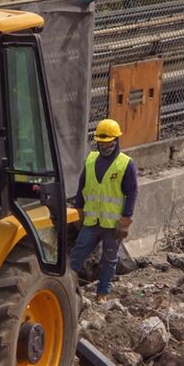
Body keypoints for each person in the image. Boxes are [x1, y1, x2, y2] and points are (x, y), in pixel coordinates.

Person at [70, 119, 138, 302]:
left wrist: (126, 219)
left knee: (109, 260)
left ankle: (102, 293)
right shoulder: (91, 160)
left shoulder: (125, 164)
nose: (104, 145)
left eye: (107, 142)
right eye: (100, 141)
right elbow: (82, 186)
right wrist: (78, 208)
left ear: (116, 140)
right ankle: (68, 289)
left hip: (112, 224)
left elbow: (131, 192)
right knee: (76, 256)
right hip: (92, 222)